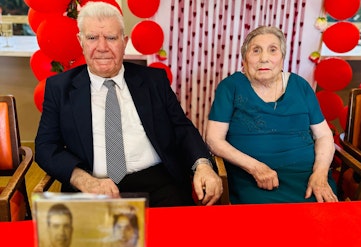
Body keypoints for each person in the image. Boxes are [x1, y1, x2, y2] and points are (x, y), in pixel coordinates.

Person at [35, 1, 222, 207]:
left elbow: (182, 129)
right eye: (92, 38)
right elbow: (45, 146)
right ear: (80, 41)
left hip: (157, 184)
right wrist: (82, 179)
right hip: (92, 187)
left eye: (111, 38)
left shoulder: (154, 81)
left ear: (124, 42)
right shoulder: (60, 88)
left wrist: (203, 165)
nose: (102, 47)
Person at [205, 26, 338, 204]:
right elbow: (214, 140)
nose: (264, 58)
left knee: (324, 222)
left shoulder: (300, 86)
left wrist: (320, 174)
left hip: (309, 177)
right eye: (256, 51)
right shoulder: (230, 87)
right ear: (244, 60)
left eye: (272, 50)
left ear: (282, 59)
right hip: (252, 178)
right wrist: (256, 168)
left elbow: (323, 134)